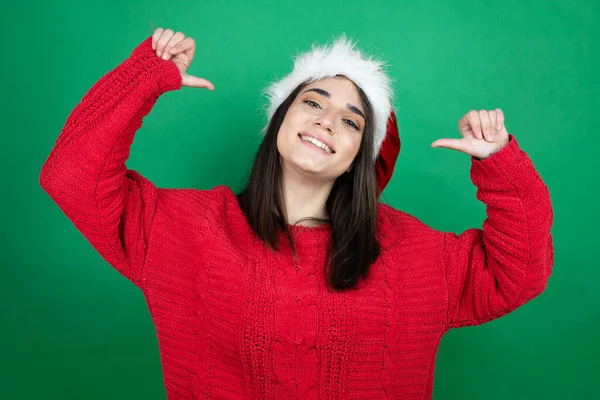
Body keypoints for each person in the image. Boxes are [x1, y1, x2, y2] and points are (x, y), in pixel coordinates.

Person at [39, 27, 554, 399]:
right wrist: (145, 78)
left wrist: (501, 165)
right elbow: (71, 176)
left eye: (352, 121)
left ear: (363, 156)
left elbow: (520, 273)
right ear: (280, 121)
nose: (327, 121)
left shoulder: (413, 254)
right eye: (312, 102)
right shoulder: (182, 228)